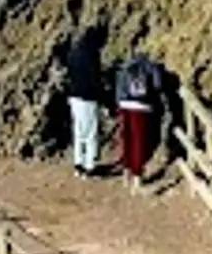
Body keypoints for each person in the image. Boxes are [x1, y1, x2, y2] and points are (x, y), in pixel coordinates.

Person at [111, 51, 167, 181]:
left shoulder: (125, 67)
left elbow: (119, 88)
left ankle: (126, 169)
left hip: (125, 105)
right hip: (142, 107)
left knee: (126, 138)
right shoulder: (150, 66)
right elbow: (157, 85)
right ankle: (137, 173)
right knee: (139, 140)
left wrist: (118, 104)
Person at [57, 38, 109, 175]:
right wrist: (102, 96)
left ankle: (78, 163)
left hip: (74, 97)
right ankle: (89, 165)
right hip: (89, 98)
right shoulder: (92, 56)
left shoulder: (72, 56)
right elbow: (95, 78)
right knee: (91, 132)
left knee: (78, 130)